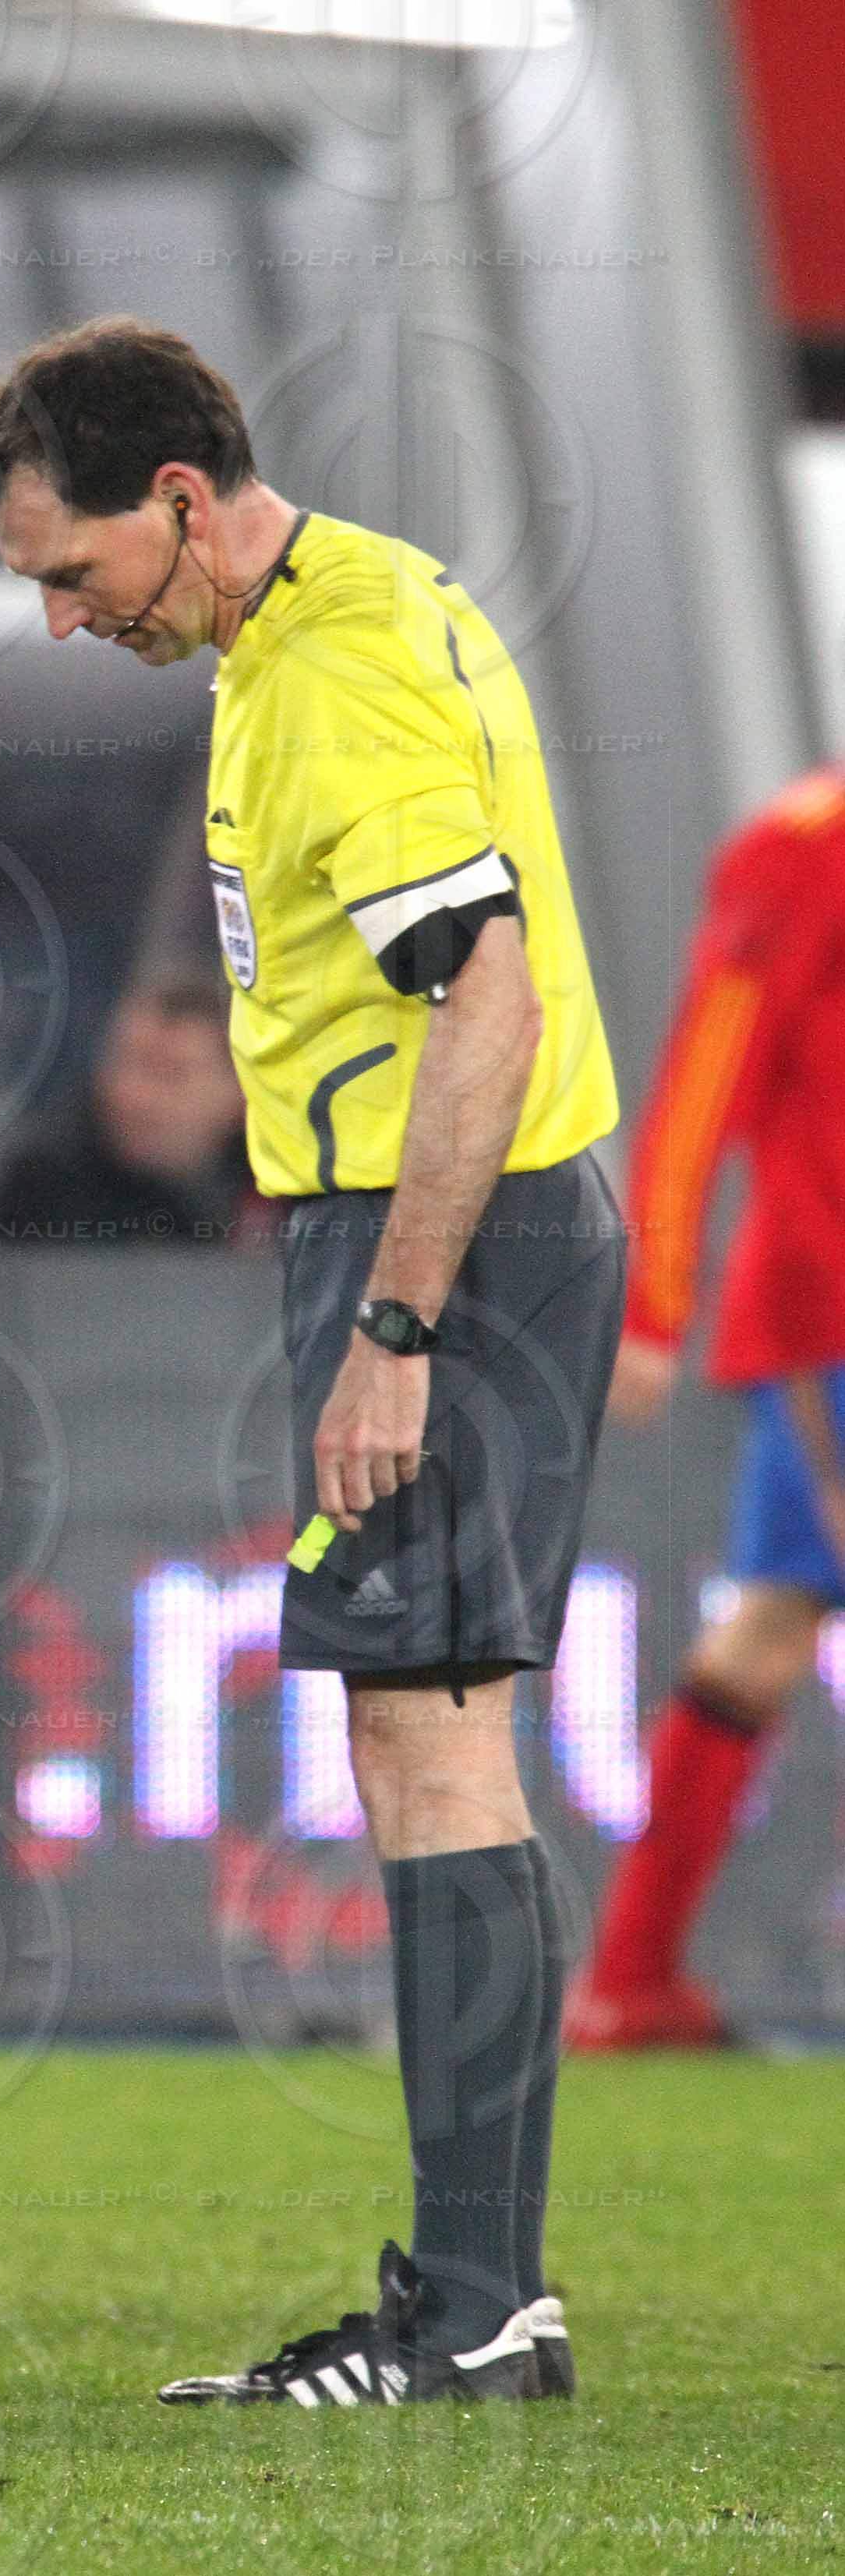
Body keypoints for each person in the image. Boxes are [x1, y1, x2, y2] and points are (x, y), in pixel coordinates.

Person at [0, 316, 616, 2404]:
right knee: (433, 1742)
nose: (63, 619)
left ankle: (475, 2309)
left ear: (175, 499)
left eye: (72, 570)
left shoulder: (328, 673)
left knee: (431, 1749)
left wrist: (395, 1325)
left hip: (445, 1239)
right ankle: (480, 2300)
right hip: (461, 1224)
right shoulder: (351, 604)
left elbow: (484, 1003)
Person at [571, 761, 845, 2050]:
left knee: (770, 1628)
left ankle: (632, 1977)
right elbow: (702, 1083)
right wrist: (656, 1303)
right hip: (831, 1310)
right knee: (772, 1624)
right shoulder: (802, 851)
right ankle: (628, 1976)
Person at [0, 983, 257, 1248]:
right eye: (128, 1063)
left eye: (171, 1074)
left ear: (242, 1090)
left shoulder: (273, 1187)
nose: (137, 1096)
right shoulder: (42, 1189)